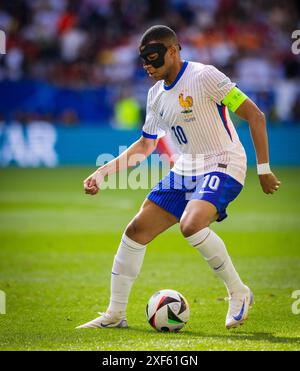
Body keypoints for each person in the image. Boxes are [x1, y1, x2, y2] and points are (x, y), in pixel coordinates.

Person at [77, 25, 281, 330]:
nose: (147, 64)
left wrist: (263, 169)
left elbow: (256, 115)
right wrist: (103, 172)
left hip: (223, 161)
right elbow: (146, 145)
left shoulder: (205, 76)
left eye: (153, 56)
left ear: (173, 51)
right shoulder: (155, 95)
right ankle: (115, 315)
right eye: (143, 58)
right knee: (136, 230)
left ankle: (238, 292)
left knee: (191, 224)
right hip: (186, 167)